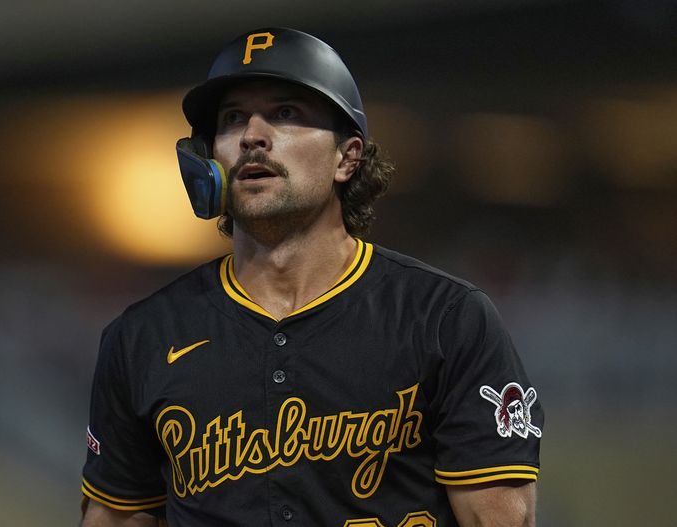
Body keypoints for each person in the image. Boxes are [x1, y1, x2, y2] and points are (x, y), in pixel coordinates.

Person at [80, 27, 543, 527]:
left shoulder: (444, 320)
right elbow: (117, 517)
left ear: (347, 157)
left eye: (285, 113)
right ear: (208, 159)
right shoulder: (143, 337)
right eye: (232, 119)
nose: (253, 135)